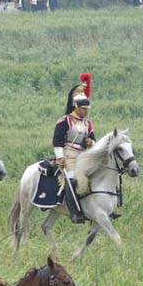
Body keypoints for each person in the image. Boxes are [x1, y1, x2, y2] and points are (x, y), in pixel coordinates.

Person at [53, 74, 94, 223]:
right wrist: (60, 157)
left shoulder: (87, 123)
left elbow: (93, 139)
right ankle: (74, 212)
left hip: (84, 156)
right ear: (76, 107)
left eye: (87, 108)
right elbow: (57, 140)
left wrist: (91, 142)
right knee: (71, 179)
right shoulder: (65, 121)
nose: (85, 111)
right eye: (83, 109)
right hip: (69, 155)